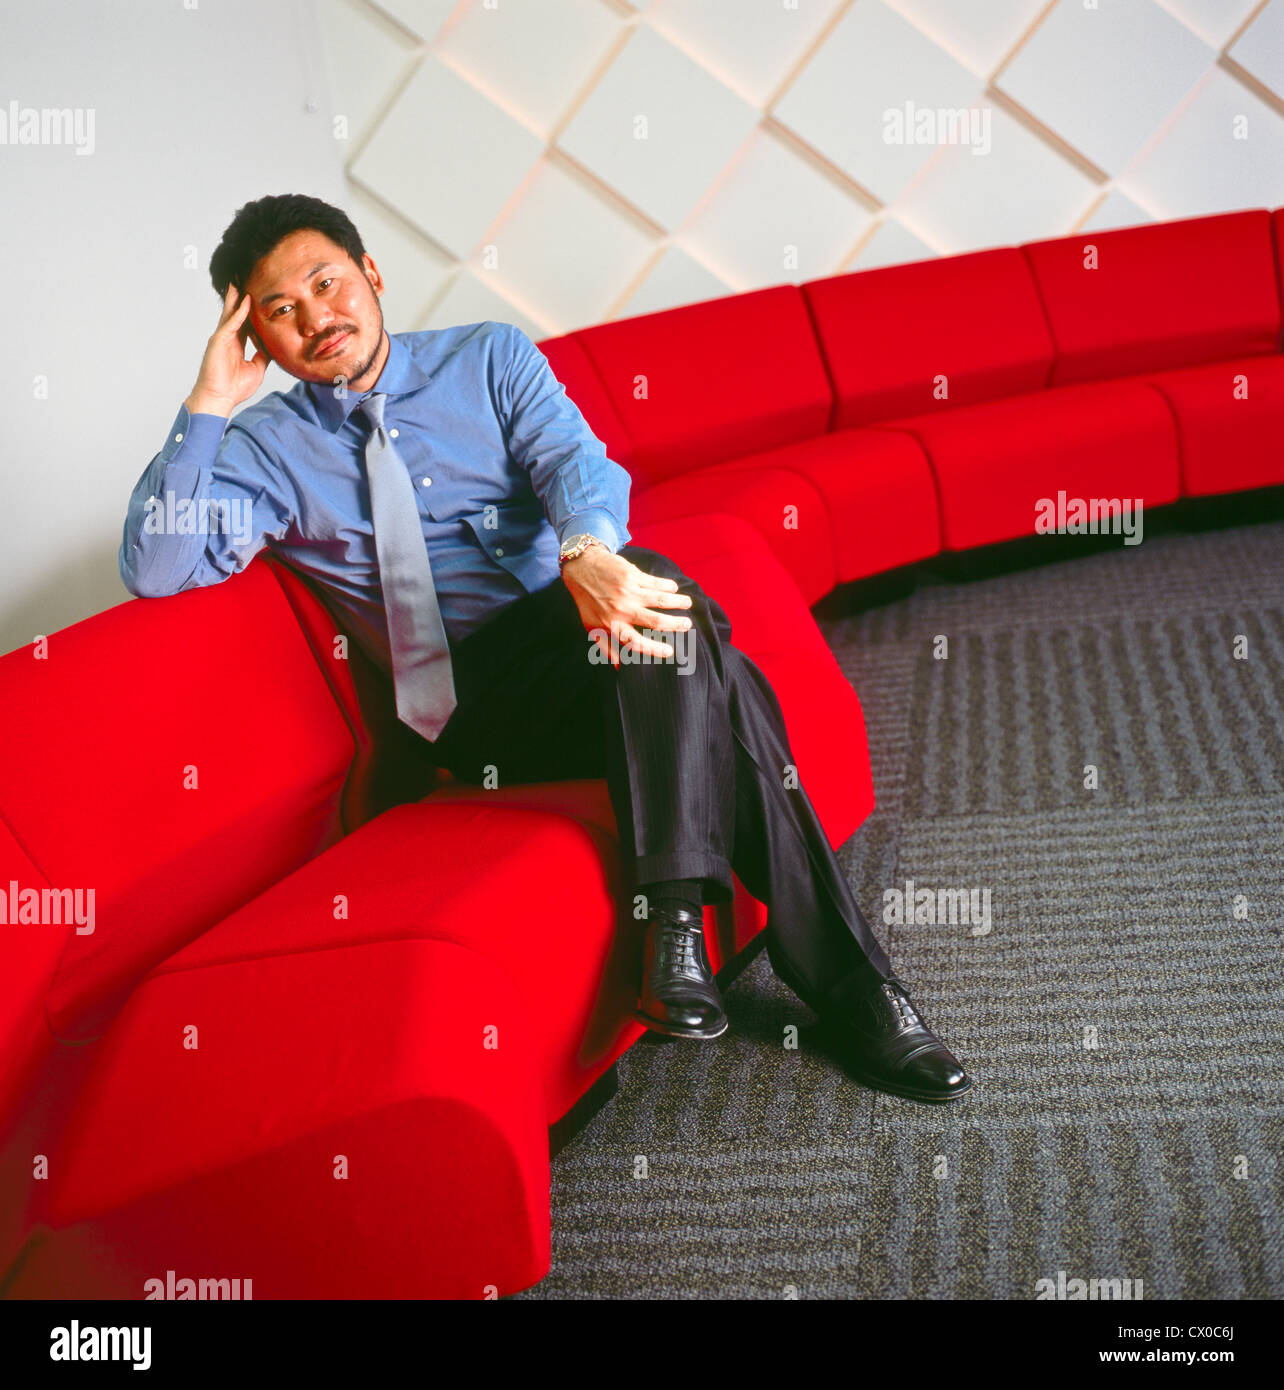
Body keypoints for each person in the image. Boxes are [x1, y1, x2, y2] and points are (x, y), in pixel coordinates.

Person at [120, 193, 972, 1104]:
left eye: (326, 284)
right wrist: (208, 401)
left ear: (371, 276)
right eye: (280, 310)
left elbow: (575, 462)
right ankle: (851, 991)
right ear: (258, 339)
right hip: (477, 711)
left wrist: (586, 552)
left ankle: (682, 930)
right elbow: (157, 564)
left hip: (594, 654)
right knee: (696, 643)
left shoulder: (485, 358)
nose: (315, 318)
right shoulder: (266, 451)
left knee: (657, 616)